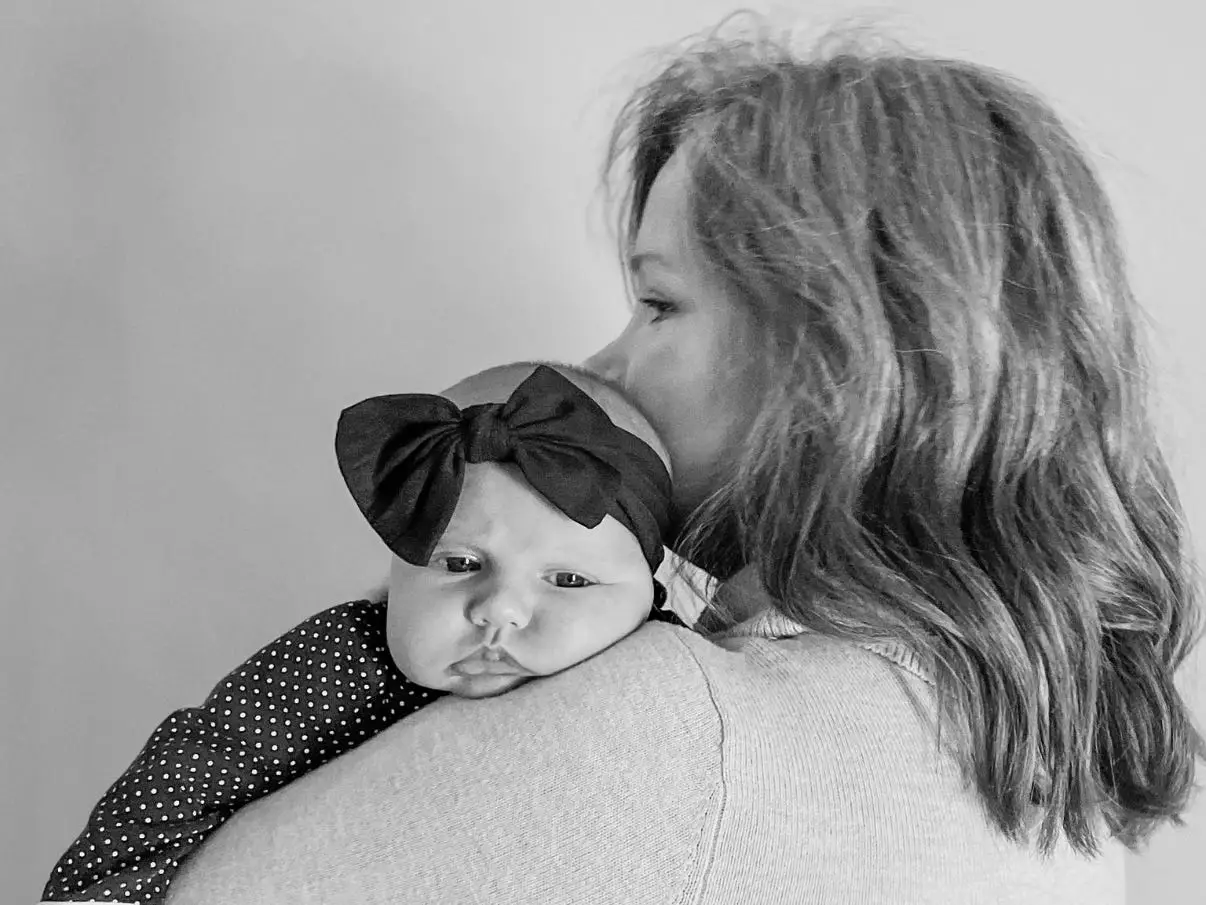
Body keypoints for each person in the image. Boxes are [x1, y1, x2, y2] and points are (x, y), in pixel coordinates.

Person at [69, 18, 1206, 905]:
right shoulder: (1039, 749)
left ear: (833, 358)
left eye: (659, 304)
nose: (602, 365)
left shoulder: (677, 734)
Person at [41, 362, 687, 904]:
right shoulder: (341, 663)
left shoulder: (676, 687)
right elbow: (181, 783)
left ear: (648, 591)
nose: (499, 610)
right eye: (459, 563)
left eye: (569, 580)